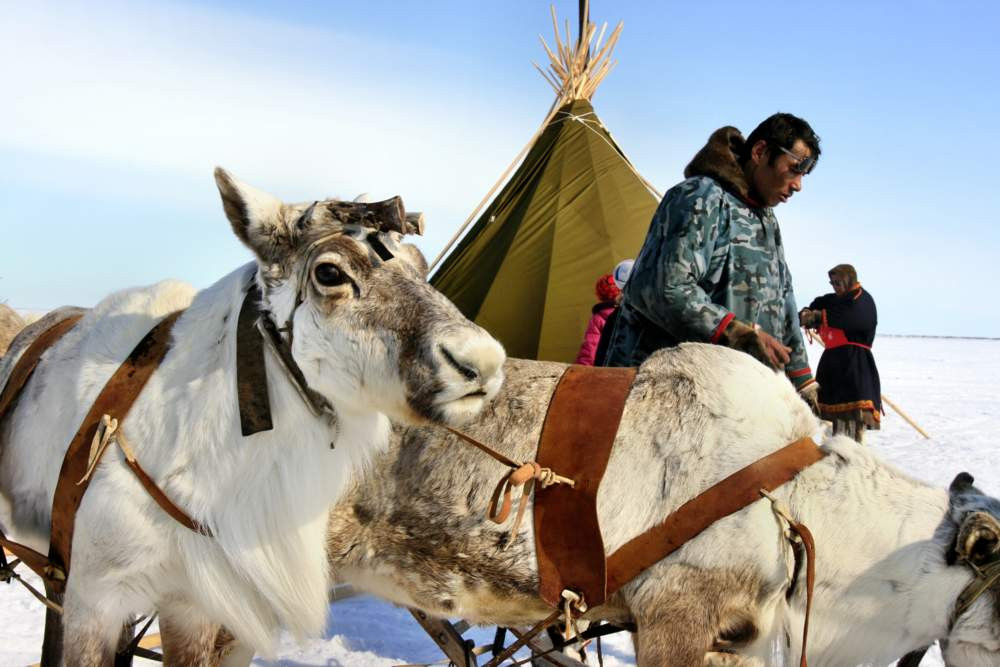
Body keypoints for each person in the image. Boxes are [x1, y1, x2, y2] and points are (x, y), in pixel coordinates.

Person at [600, 113, 821, 407]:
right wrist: (738, 332)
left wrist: (804, 382)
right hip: (660, 394)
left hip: (726, 398)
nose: (798, 185)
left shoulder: (766, 220)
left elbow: (784, 300)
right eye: (794, 169)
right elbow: (666, 288)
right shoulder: (700, 197)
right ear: (760, 152)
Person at [799, 264, 882, 443]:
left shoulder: (862, 300)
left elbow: (850, 317)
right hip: (832, 364)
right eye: (832, 283)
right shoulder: (833, 300)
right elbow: (817, 304)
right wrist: (807, 313)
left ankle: (851, 453)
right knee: (831, 423)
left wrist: (818, 317)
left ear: (849, 280)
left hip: (854, 365)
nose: (835, 286)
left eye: (838, 282)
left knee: (851, 422)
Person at [575, 271, 622, 365]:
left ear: (600, 295)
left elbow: (590, 348)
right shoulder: (631, 313)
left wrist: (583, 368)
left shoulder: (598, 318)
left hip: (608, 368)